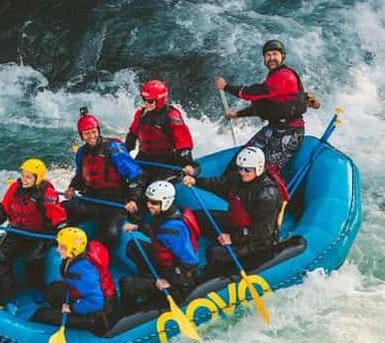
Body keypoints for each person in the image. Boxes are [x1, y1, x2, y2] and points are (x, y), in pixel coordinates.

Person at [215, 39, 320, 172]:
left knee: (266, 171)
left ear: (283, 57)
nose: (271, 58)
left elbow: (253, 93)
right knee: (240, 160)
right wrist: (237, 114)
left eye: (275, 54)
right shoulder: (272, 77)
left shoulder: (285, 76)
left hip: (290, 132)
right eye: (268, 55)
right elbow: (265, 106)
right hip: (273, 128)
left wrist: (226, 87)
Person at [182, 146, 284, 277]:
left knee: (214, 253)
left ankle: (208, 278)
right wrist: (195, 181)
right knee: (194, 217)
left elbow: (261, 233)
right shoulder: (237, 178)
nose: (242, 172)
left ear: (259, 168)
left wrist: (232, 238)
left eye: (247, 169)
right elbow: (217, 184)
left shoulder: (267, 195)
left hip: (256, 241)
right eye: (240, 168)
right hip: (235, 223)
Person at [0, 158, 67, 310]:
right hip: (17, 231)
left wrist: (61, 234)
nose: (24, 179)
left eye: (29, 177)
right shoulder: (15, 187)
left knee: (33, 258)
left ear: (37, 178)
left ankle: (38, 288)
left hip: (39, 234)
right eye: (23, 175)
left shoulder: (47, 193)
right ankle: (8, 297)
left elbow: (57, 217)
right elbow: (4, 208)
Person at [64, 108, 146, 249]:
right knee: (63, 211)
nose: (91, 136)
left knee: (110, 235)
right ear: (81, 135)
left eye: (94, 132)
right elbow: (80, 176)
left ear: (98, 131)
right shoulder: (82, 152)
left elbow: (136, 176)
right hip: (91, 197)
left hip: (114, 200)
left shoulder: (113, 148)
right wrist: (72, 187)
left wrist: (133, 199)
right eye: (87, 133)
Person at [119, 181, 200, 315]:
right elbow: (157, 231)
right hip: (166, 264)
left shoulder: (173, 230)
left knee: (126, 283)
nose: (149, 205)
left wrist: (169, 282)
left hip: (178, 280)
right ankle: (148, 279)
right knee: (133, 246)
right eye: (148, 201)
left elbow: (190, 262)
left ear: (166, 202)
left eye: (154, 203)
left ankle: (128, 314)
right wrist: (138, 227)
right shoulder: (168, 213)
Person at [31, 227, 112, 335]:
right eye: (59, 245)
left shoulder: (81, 270)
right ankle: (58, 307)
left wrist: (72, 308)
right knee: (53, 290)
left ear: (73, 250)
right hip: (83, 295)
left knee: (41, 315)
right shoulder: (79, 254)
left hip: (95, 313)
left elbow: (96, 302)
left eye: (62, 247)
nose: (58, 249)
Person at [125, 80, 198, 180]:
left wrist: (187, 164)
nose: (146, 103)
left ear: (160, 100)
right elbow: (132, 136)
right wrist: (125, 153)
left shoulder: (172, 116)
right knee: (134, 182)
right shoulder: (141, 114)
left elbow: (183, 144)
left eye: (150, 101)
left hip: (166, 160)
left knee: (160, 185)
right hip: (144, 158)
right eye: (144, 99)